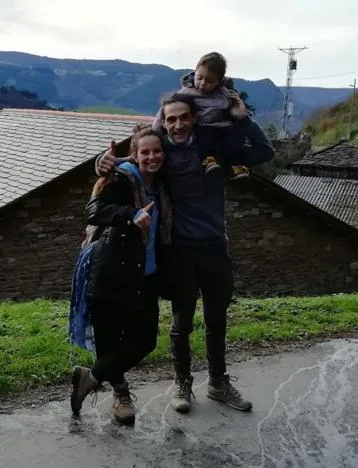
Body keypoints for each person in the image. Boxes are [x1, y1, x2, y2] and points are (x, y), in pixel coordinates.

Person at [96, 92, 274, 414]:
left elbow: (263, 151)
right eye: (171, 119)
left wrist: (241, 117)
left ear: (194, 118)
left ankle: (218, 383)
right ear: (164, 123)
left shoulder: (214, 149)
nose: (178, 124)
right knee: (182, 324)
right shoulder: (162, 157)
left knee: (216, 320)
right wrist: (102, 162)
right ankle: (182, 384)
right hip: (181, 252)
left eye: (184, 117)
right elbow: (132, 164)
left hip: (216, 248)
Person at [70, 126, 173, 425]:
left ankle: (92, 377)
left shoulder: (165, 185)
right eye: (145, 152)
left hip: (147, 276)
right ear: (135, 154)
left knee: (145, 341)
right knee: (109, 341)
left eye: (157, 151)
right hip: (112, 273)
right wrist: (130, 214)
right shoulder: (122, 178)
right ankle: (120, 394)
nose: (151, 157)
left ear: (164, 154)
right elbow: (95, 210)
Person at [153, 51, 249, 180]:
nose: (203, 83)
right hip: (201, 126)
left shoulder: (223, 94)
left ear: (219, 82)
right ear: (194, 73)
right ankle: (207, 161)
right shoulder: (186, 93)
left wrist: (240, 114)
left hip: (221, 126)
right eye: (199, 78)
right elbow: (163, 113)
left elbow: (232, 110)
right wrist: (155, 134)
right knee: (204, 137)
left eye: (209, 81)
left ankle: (233, 166)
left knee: (234, 137)